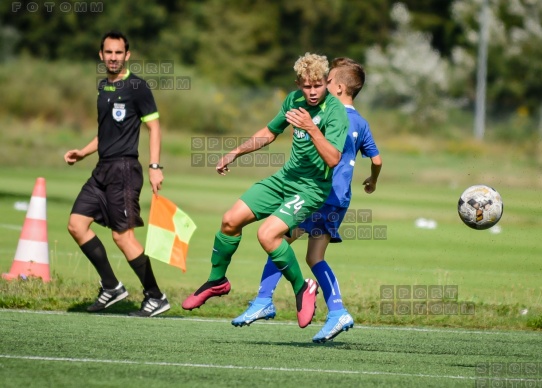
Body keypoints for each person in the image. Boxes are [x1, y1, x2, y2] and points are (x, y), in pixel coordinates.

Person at [181, 53, 349, 329]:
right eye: (306, 86)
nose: (312, 91)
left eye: (318, 85)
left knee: (267, 234)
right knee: (230, 220)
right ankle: (217, 280)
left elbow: (333, 159)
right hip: (284, 179)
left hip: (310, 189)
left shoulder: (335, 112)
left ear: (327, 82)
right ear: (298, 84)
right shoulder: (293, 101)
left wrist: (311, 128)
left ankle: (302, 287)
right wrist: (235, 152)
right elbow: (270, 132)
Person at [231, 58, 382, 343]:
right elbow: (377, 159)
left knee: (277, 239)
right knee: (313, 257)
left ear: (335, 87)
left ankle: (264, 300)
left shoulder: (330, 114)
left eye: (325, 81)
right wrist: (372, 181)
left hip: (319, 195)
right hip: (339, 200)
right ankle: (337, 312)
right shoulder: (361, 122)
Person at [64, 30, 170, 318]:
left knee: (123, 238)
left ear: (127, 55)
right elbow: (105, 133)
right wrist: (82, 152)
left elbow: (155, 128)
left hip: (124, 170)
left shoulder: (137, 87)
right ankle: (111, 286)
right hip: (101, 169)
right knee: (76, 224)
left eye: (118, 52)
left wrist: (155, 166)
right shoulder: (103, 87)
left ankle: (155, 296)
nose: (113, 57)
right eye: (108, 52)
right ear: (101, 55)